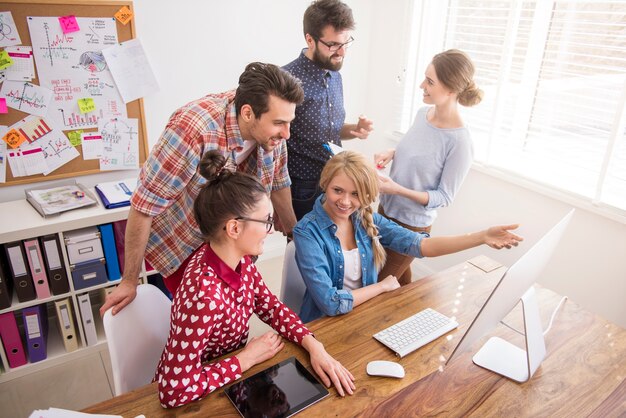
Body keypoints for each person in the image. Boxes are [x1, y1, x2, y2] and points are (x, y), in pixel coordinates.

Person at [155, 150, 355, 408]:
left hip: (228, 380)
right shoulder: (203, 294)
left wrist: (314, 346)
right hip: (199, 394)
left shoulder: (239, 261)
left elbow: (270, 307)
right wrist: (245, 360)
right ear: (234, 228)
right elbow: (172, 392)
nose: (271, 230)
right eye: (266, 221)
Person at [100, 62, 303, 316]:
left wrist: (295, 233)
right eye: (280, 123)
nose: (287, 133)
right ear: (248, 113)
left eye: (289, 122)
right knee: (196, 319)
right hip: (183, 242)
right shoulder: (192, 129)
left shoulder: (273, 132)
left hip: (231, 241)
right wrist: (129, 280)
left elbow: (279, 180)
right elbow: (144, 205)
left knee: (230, 313)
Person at [293, 151, 522, 323]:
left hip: (361, 317)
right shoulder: (306, 232)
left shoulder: (365, 218)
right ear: (325, 184)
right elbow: (331, 303)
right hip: (322, 326)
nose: (345, 201)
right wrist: (382, 287)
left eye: (356, 194)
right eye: (338, 190)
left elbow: (421, 245)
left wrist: (481, 237)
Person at [374, 49, 484, 286]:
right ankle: (410, 319)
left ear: (451, 89)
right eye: (425, 77)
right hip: (385, 212)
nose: (422, 85)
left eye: (430, 82)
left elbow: (444, 196)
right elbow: (418, 154)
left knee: (376, 286)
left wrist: (398, 190)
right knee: (400, 283)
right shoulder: (422, 114)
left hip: (412, 225)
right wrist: (392, 153)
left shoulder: (460, 141)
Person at [283, 0, 374, 222]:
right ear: (310, 39)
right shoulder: (285, 80)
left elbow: (326, 130)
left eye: (346, 43)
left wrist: (354, 129)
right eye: (333, 44)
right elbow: (273, 144)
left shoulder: (335, 76)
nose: (341, 52)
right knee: (304, 248)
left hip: (337, 179)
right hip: (305, 185)